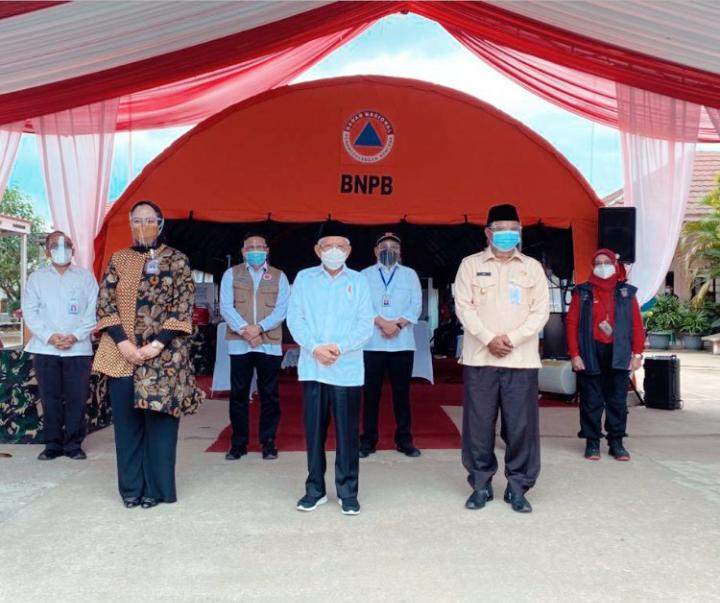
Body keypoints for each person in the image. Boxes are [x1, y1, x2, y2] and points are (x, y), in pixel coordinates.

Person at [93, 201, 204, 509]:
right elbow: (105, 304)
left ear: (160, 222)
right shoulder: (119, 259)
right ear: (130, 224)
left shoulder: (177, 260)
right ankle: (131, 489)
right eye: (137, 220)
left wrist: (156, 345)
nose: (143, 226)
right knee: (127, 427)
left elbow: (183, 307)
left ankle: (157, 489)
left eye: (149, 219)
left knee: (160, 427)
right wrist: (124, 344)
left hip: (164, 359)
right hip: (122, 356)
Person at [454, 204, 549, 513]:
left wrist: (513, 339)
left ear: (520, 232)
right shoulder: (470, 265)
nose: (508, 234)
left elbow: (541, 311)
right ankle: (481, 485)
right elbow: (463, 307)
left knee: (521, 428)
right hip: (480, 360)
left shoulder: (532, 268)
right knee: (478, 427)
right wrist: (488, 339)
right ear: (488, 232)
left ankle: (518, 487)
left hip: (520, 361)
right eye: (501, 229)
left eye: (513, 229)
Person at [287, 220, 373, 515]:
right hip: (314, 368)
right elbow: (295, 319)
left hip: (346, 369)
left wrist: (339, 348)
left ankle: (348, 492)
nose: (334, 251)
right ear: (317, 250)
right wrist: (315, 348)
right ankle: (315, 489)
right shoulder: (304, 278)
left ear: (348, 250)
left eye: (340, 246)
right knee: (314, 433)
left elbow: (365, 325)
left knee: (347, 434)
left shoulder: (359, 281)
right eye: (328, 246)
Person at [22, 231, 98, 460]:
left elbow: (94, 310)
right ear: (47, 251)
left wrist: (75, 336)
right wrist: (50, 336)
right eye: (55, 245)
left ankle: (74, 445)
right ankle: (53, 445)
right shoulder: (36, 278)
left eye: (66, 245)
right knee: (50, 398)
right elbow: (30, 312)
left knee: (77, 398)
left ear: (73, 250)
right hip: (45, 349)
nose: (61, 249)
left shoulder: (85, 278)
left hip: (78, 349)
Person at [566, 248, 644, 462]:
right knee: (591, 400)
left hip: (619, 351)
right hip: (590, 351)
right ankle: (592, 442)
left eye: (606, 262)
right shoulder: (582, 292)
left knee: (617, 400)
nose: (602, 266)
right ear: (592, 267)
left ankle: (616, 442)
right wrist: (574, 354)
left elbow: (637, 325)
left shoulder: (626, 293)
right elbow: (571, 324)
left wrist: (637, 353)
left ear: (614, 265)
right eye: (598, 263)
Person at [219, 232, 290, 460]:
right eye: (250, 247)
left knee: (269, 393)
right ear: (243, 252)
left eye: (260, 247)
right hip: (240, 343)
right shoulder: (231, 274)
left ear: (267, 251)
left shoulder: (279, 276)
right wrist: (245, 331)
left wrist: (258, 329)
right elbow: (226, 307)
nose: (255, 251)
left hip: (268, 343)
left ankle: (268, 442)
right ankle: (238, 443)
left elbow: (281, 310)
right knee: (239, 394)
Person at [360, 232, 422, 458]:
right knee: (370, 394)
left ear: (400, 252)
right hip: (372, 344)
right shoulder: (364, 275)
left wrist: (397, 325)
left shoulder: (409, 274)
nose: (389, 251)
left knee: (402, 393)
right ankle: (368, 440)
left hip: (402, 343)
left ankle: (404, 439)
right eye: (384, 247)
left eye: (394, 248)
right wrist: (381, 323)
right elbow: (361, 305)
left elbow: (416, 305)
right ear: (376, 251)